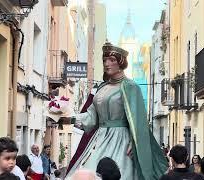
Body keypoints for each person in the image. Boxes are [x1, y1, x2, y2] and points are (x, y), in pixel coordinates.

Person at [65, 41, 168, 180]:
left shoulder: (130, 86)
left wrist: (134, 142)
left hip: (121, 140)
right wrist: (67, 117)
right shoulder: (101, 88)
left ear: (121, 63)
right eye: (104, 60)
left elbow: (139, 121)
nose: (107, 63)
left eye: (111, 60)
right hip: (99, 139)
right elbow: (91, 117)